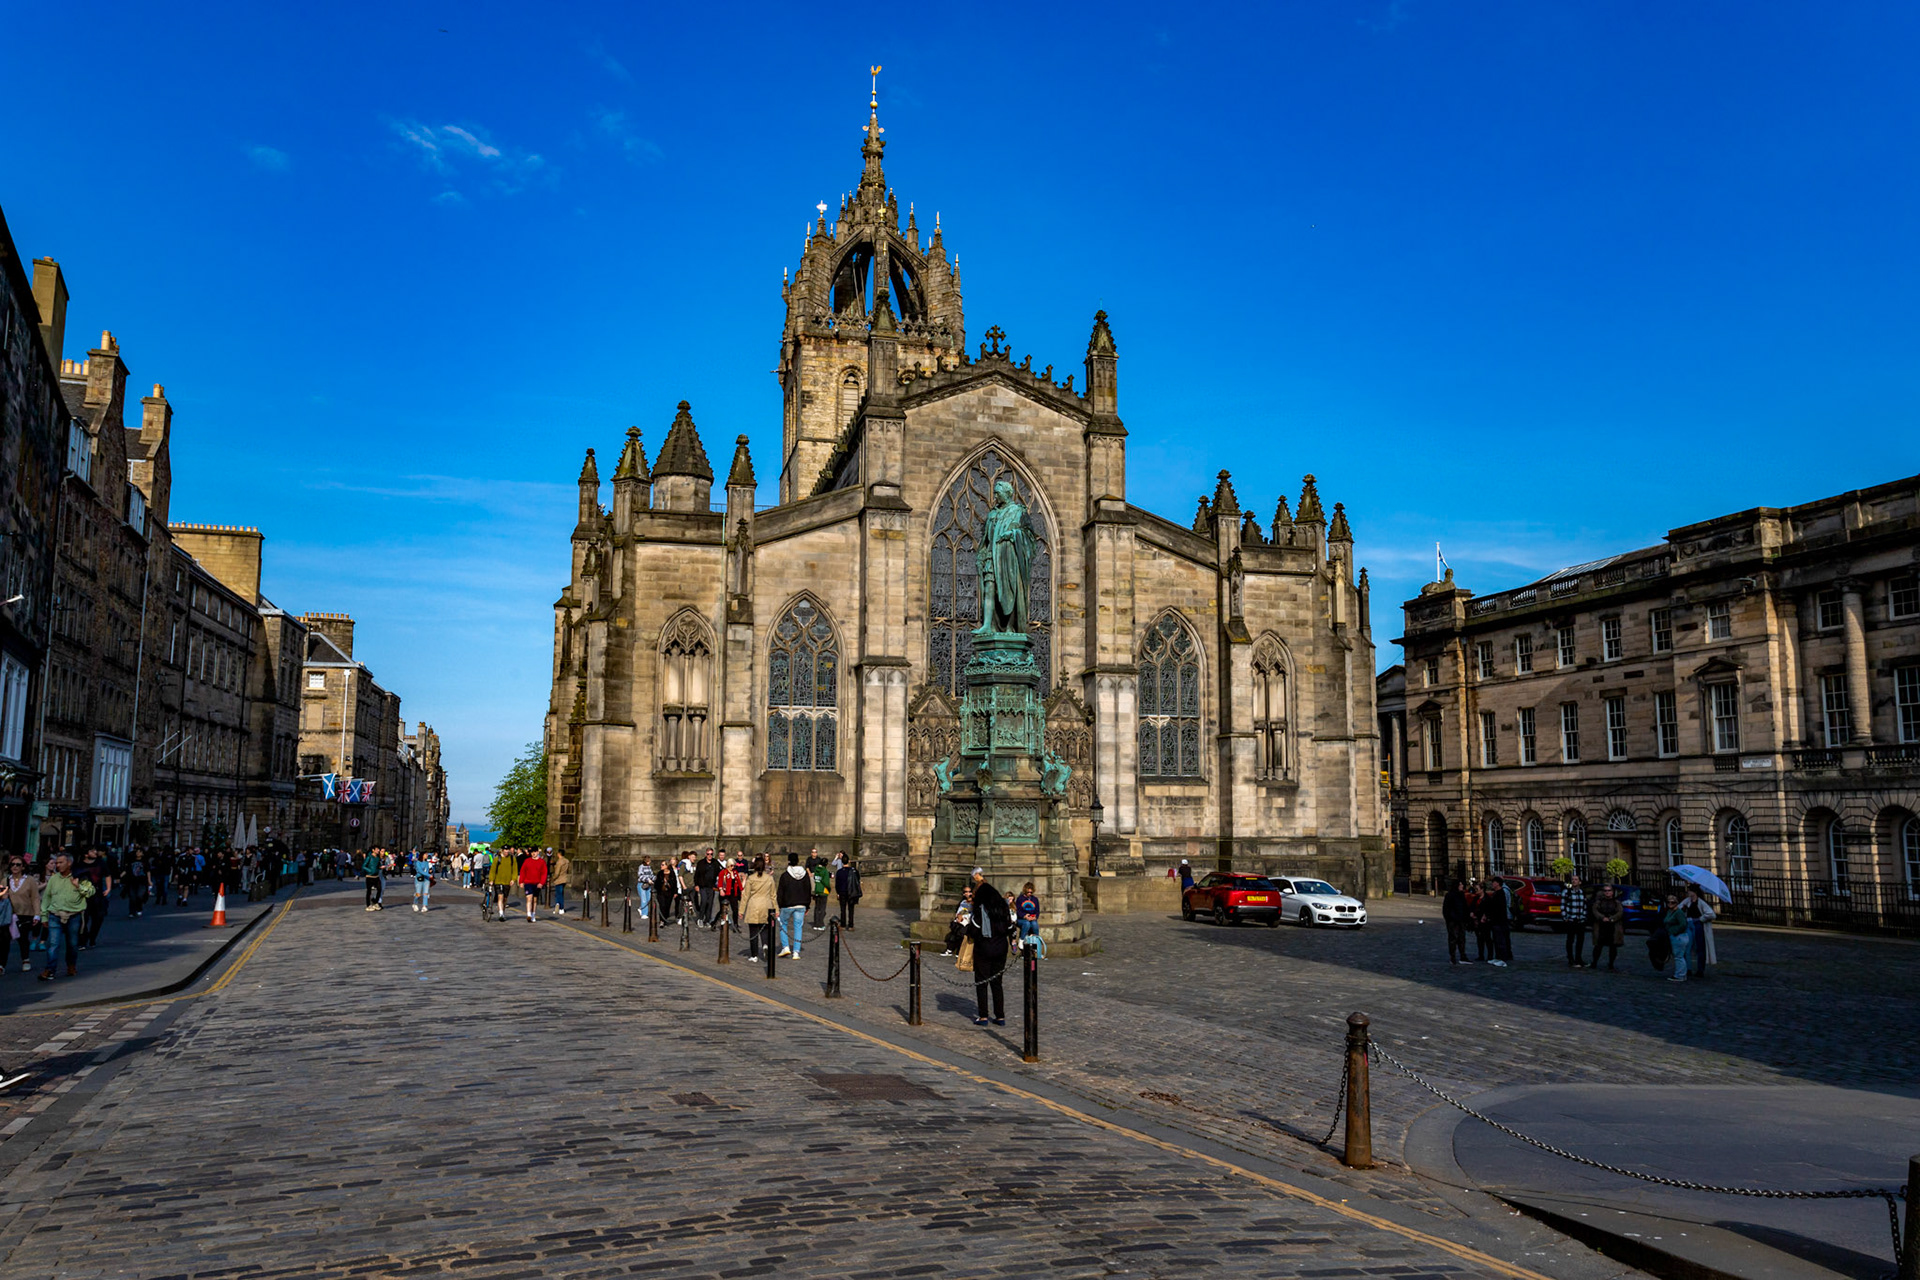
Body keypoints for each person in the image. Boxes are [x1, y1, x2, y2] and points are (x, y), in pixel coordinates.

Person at [965, 868, 1012, 1027]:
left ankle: (983, 1016)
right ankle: (1000, 1016)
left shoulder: (981, 911)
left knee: (982, 982)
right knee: (997, 982)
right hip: (1000, 948)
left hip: (984, 948)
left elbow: (973, 930)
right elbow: (1010, 928)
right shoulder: (1003, 909)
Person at [39, 854, 93, 981]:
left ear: (69, 863)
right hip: (55, 915)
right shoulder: (54, 879)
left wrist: (78, 886)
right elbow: (46, 897)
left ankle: (71, 966)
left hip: (73, 916)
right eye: (56, 863)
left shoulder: (80, 876)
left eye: (60, 862)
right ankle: (50, 969)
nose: (57, 865)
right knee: (53, 944)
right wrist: (44, 916)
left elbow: (90, 892)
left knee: (72, 944)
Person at [776, 852, 812, 957]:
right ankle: (796, 952)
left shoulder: (785, 876)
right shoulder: (805, 875)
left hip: (787, 904)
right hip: (801, 905)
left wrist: (779, 905)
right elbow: (808, 890)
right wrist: (807, 905)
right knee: (798, 927)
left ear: (789, 861)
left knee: (783, 924)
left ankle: (786, 947)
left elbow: (780, 892)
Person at [8, 857, 40, 973]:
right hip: (9, 915)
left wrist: (37, 914)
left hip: (26, 914)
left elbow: (35, 898)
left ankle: (25, 959)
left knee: (23, 939)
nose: (15, 867)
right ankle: (1, 965)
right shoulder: (5, 880)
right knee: (4, 940)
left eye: (18, 864)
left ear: (23, 867)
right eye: (12, 864)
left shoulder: (29, 880)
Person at [741, 855, 777, 959]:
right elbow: (773, 895)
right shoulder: (769, 878)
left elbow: (746, 895)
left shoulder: (751, 879)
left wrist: (741, 910)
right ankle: (765, 944)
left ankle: (754, 955)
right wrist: (776, 909)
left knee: (753, 932)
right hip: (766, 905)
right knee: (765, 928)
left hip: (754, 905)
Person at [1684, 885, 1717, 976]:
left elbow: (1711, 914)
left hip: (1698, 925)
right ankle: (1688, 968)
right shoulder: (1687, 901)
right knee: (1688, 946)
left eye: (1690, 891)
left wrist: (1701, 919)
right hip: (1689, 923)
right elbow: (1680, 908)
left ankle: (1700, 970)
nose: (1688, 892)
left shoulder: (1701, 902)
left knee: (1700, 948)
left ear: (1695, 892)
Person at [1590, 884, 1625, 971]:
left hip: (1612, 926)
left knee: (1613, 946)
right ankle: (1594, 962)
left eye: (1609, 891)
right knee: (1598, 946)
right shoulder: (1599, 902)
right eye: (1605, 891)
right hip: (1601, 926)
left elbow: (1620, 912)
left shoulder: (1617, 902)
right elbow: (1595, 911)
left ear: (1612, 892)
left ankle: (1611, 964)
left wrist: (1612, 919)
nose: (1607, 892)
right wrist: (1602, 918)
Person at [1483, 876, 1512, 967]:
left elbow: (1498, 908)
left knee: (1500, 940)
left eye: (1494, 882)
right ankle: (1498, 957)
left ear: (1498, 883)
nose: (1492, 884)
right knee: (1496, 940)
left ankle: (1503, 959)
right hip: (1495, 920)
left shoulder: (1501, 894)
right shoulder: (1496, 893)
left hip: (1499, 921)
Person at [1561, 873, 1589, 968]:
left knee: (1580, 941)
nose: (1574, 881)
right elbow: (1563, 906)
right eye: (1572, 879)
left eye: (1576, 879)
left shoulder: (1582, 892)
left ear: (1580, 882)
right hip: (1571, 920)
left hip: (1580, 920)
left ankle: (1578, 958)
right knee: (1570, 940)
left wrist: (1584, 916)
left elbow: (1585, 905)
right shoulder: (1566, 892)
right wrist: (1565, 918)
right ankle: (1570, 959)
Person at [1442, 878, 1471, 964]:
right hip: (1453, 921)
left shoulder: (1461, 895)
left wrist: (1466, 918)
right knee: (1453, 939)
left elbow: (1465, 907)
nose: (1462, 886)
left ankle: (1462, 955)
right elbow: (1446, 910)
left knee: (1462, 938)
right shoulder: (1449, 895)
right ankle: (1453, 956)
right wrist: (1450, 918)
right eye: (1461, 884)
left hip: (1461, 920)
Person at [1663, 893, 1691, 981]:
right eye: (1669, 902)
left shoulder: (1679, 913)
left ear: (1676, 903)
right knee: (1678, 956)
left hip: (1679, 937)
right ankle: (1681, 974)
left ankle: (1680, 975)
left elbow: (1683, 924)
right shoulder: (1670, 912)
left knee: (1679, 956)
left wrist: (1674, 931)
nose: (1670, 904)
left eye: (1673, 902)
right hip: (1675, 936)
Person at [486, 846, 517, 921]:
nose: (506, 852)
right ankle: (501, 914)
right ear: (502, 851)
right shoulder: (497, 859)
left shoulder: (512, 859)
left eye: (507, 851)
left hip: (507, 881)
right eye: (505, 851)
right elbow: (493, 870)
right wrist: (491, 879)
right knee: (500, 896)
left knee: (505, 898)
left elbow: (515, 870)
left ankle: (502, 911)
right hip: (498, 881)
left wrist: (513, 879)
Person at [519, 847, 548, 921]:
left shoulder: (542, 862)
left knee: (535, 900)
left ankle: (533, 914)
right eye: (532, 852)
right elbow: (523, 871)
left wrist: (542, 883)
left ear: (538, 852)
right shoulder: (527, 861)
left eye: (535, 852)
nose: (533, 853)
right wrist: (521, 881)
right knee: (529, 898)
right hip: (528, 882)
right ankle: (528, 914)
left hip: (537, 883)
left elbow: (544, 873)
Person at [943, 887, 973, 957]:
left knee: (960, 932)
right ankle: (950, 950)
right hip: (960, 921)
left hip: (968, 922)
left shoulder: (973, 903)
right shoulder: (963, 902)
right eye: (965, 892)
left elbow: (970, 911)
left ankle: (958, 951)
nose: (967, 894)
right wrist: (959, 916)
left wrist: (962, 916)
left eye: (969, 892)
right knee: (954, 931)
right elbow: (959, 912)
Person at [835, 856, 862, 931]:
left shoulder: (839, 872)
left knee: (842, 909)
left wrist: (838, 893)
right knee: (851, 909)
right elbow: (858, 880)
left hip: (842, 892)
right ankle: (851, 925)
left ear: (842, 862)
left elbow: (837, 884)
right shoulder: (854, 871)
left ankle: (843, 925)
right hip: (851, 892)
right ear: (849, 861)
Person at [694, 849, 719, 928]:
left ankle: (707, 920)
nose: (710, 855)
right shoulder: (701, 863)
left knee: (710, 903)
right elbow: (696, 875)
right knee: (704, 901)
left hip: (711, 886)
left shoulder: (715, 862)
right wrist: (696, 885)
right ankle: (700, 918)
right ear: (706, 854)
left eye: (711, 854)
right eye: (708, 854)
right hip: (702, 886)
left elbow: (719, 872)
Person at [809, 850, 831, 932]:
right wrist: (829, 888)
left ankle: (815, 923)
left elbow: (815, 878)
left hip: (817, 890)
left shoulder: (816, 870)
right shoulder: (824, 871)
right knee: (822, 908)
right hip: (823, 891)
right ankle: (820, 924)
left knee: (816, 908)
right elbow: (826, 882)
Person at [1013, 881, 1040, 946]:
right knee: (1026, 923)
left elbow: (1037, 911)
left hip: (1032, 918)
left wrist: (1035, 917)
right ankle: (1021, 940)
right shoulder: (1020, 899)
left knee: (1034, 924)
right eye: (1028, 892)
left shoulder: (1035, 899)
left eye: (1031, 892)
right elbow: (1018, 911)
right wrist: (1024, 916)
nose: (1029, 893)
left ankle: (1036, 940)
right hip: (1022, 919)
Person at [635, 858, 656, 923]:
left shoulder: (649, 867)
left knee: (648, 898)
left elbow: (651, 875)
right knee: (644, 899)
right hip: (642, 884)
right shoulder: (641, 867)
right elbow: (640, 876)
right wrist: (647, 879)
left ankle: (641, 908)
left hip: (648, 884)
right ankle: (644, 914)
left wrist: (654, 878)